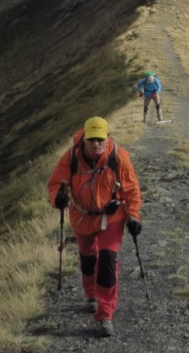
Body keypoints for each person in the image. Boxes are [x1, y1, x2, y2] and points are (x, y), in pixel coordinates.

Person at [49, 116, 142, 337]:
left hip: (112, 217)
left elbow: (131, 190)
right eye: (92, 140)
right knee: (89, 260)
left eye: (100, 139)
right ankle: (91, 294)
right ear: (84, 139)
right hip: (82, 217)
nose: (96, 144)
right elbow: (54, 185)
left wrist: (133, 216)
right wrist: (58, 199)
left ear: (107, 137)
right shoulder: (71, 157)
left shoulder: (118, 157)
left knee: (108, 261)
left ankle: (105, 315)